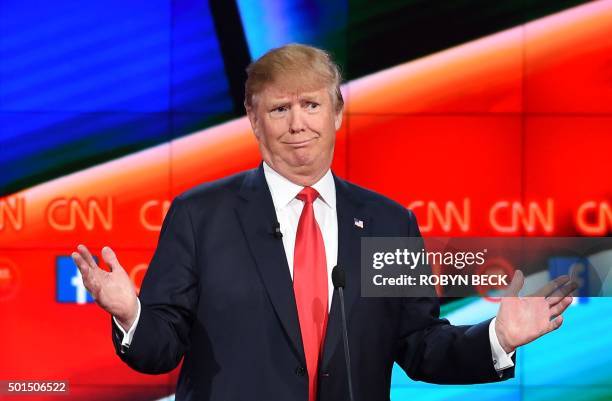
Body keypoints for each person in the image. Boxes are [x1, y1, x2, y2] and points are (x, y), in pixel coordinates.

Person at [72, 44, 575, 401]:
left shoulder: (386, 222)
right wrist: (129, 314)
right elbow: (160, 348)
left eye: (311, 105)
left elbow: (421, 347)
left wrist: (497, 338)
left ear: (337, 113)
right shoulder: (200, 215)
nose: (297, 124)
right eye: (280, 109)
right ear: (253, 120)